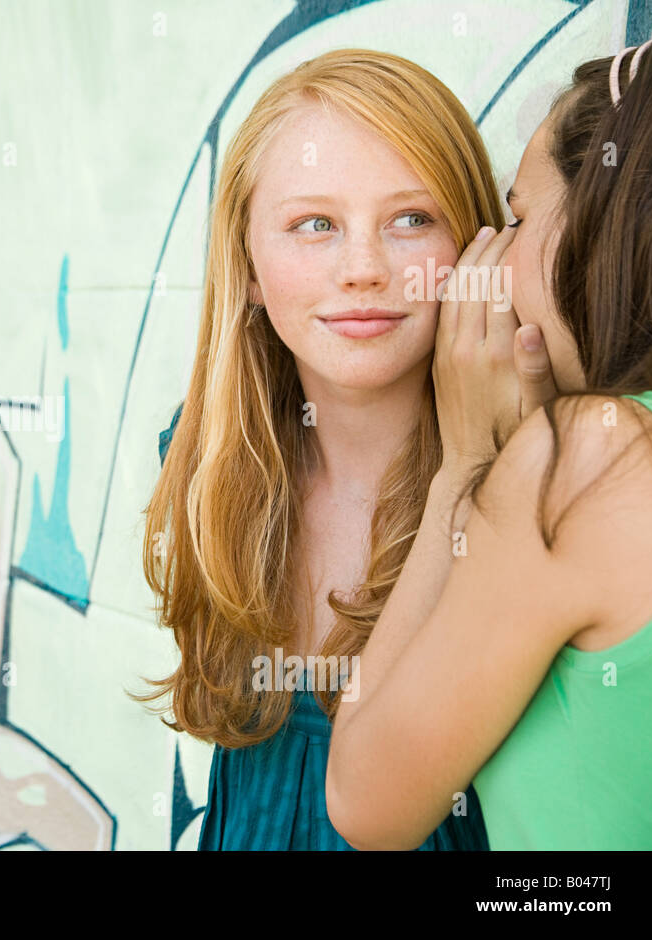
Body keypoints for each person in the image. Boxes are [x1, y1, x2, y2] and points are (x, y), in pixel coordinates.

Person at [139, 48, 512, 850]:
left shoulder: (527, 488)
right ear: (246, 266)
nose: (364, 270)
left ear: (479, 247)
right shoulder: (206, 465)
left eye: (412, 219)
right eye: (316, 225)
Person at [327, 39, 652, 850]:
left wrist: (469, 464)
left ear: (605, 219)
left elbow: (364, 803)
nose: (494, 257)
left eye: (517, 217)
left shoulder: (597, 460)